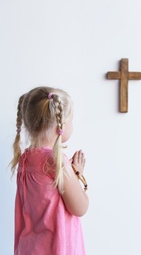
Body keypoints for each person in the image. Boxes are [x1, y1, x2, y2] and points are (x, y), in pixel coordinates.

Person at [10, 86, 89, 255]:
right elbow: (80, 207)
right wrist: (77, 174)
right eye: (71, 119)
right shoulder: (56, 162)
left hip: (30, 249)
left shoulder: (26, 158)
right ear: (60, 125)